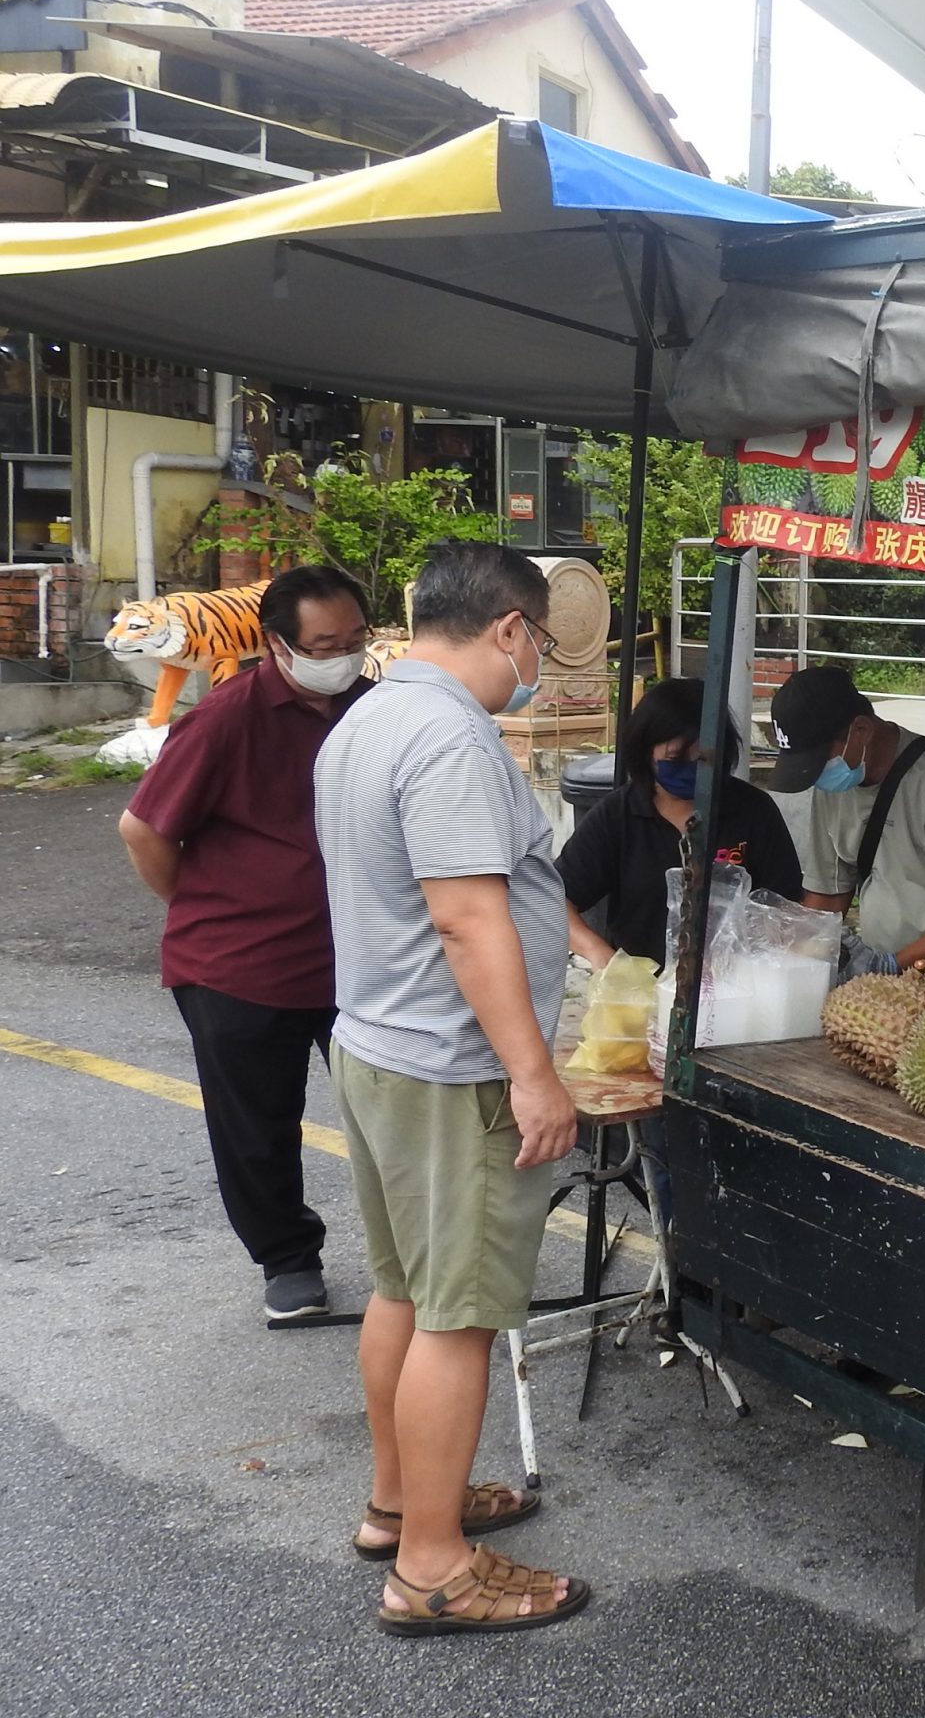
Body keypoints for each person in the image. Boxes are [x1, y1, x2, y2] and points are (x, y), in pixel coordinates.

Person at [313, 540, 589, 1635]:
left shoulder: (369, 719)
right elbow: (466, 917)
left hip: (378, 1045)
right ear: (511, 629)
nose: (537, 671)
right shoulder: (449, 737)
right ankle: (432, 1565)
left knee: (403, 1291)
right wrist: (534, 1075)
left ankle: (399, 1503)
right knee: (459, 1318)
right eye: (539, 647)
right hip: (451, 1066)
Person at [117, 563, 373, 1324]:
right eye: (327, 642)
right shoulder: (227, 718)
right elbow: (143, 829)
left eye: (356, 638)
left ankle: (415, 1249)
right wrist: (208, 908)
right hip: (236, 968)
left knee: (390, 1113)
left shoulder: (372, 709)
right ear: (278, 646)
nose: (346, 653)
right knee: (257, 1128)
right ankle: (288, 1262)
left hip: (355, 963)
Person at [774, 665, 925, 971]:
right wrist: (796, 961)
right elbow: (827, 897)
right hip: (881, 984)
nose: (816, 774)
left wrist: (894, 966)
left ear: (861, 731)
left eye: (819, 762)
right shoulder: (831, 789)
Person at [559, 677, 802, 967]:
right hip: (642, 992)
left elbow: (786, 910)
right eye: (675, 758)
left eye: (701, 759)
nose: (690, 768)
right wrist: (605, 958)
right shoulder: (617, 816)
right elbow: (557, 899)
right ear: (646, 752)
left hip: (734, 987)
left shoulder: (753, 811)